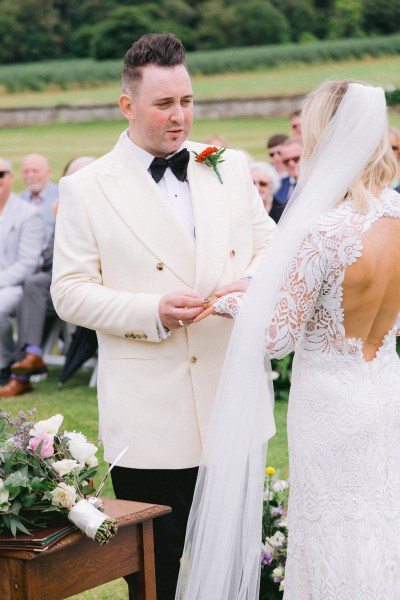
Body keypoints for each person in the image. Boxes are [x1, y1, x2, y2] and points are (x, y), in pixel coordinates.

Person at [50, 33, 276, 600]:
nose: (181, 117)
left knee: (243, 564)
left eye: (188, 101)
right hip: (151, 417)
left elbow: (270, 245)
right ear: (128, 105)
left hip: (232, 399)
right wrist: (150, 310)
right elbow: (69, 292)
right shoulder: (85, 188)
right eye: (164, 104)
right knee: (159, 575)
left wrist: (249, 282)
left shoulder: (226, 165)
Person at [176, 80, 400, 600]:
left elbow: (276, 336)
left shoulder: (323, 231)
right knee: (379, 520)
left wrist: (230, 300)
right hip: (384, 387)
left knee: (329, 527)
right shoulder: (397, 216)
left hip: (329, 406)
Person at [0, 157, 44, 388]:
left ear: (10, 178)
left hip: (18, 285)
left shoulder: (27, 214)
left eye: (0, 174)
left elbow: (27, 263)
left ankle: (5, 364)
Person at [19, 153, 58, 246]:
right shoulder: (18, 200)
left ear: (48, 173)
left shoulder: (61, 197)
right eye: (26, 172)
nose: (30, 175)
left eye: (35, 171)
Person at [270, 138, 303, 223]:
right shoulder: (278, 187)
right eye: (286, 161)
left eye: (296, 159)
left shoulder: (316, 184)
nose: (291, 164)